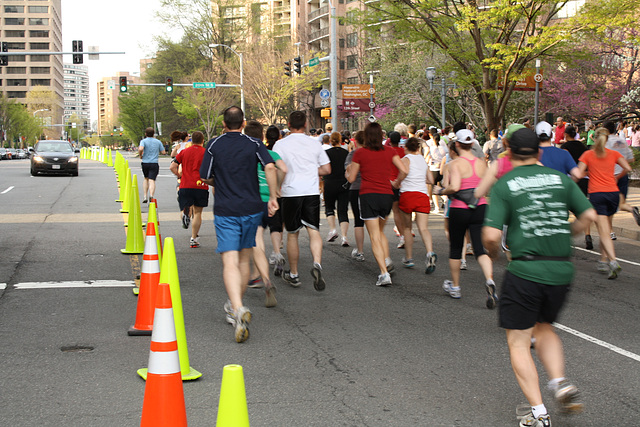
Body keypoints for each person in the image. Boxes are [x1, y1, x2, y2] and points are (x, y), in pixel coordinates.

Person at [482, 127, 596, 427]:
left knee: (518, 342)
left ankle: (538, 413)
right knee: (544, 327)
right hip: (560, 270)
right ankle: (559, 383)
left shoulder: (506, 184)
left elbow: (492, 235)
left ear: (508, 152)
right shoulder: (561, 180)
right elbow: (589, 217)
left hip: (525, 270)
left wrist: (492, 254)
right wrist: (566, 233)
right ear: (540, 152)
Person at [199, 106, 279, 343]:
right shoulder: (254, 144)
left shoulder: (214, 145)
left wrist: (220, 181)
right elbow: (271, 166)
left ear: (224, 124)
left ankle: (237, 307)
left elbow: (204, 176)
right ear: (243, 123)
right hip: (252, 209)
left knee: (230, 260)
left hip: (226, 210)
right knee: (244, 259)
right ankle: (236, 306)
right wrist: (273, 197)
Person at [435, 129, 496, 308]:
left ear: (458, 144)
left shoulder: (455, 164)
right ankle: (490, 280)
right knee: (479, 248)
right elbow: (487, 185)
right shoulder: (481, 163)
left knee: (456, 247)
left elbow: (454, 187)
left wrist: (441, 191)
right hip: (480, 206)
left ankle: (455, 286)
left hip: (460, 209)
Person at [273, 110, 331, 291]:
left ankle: (295, 274)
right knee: (313, 230)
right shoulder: (315, 144)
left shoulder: (279, 145)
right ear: (306, 125)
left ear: (288, 125)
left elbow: (275, 169)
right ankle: (317, 263)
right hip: (311, 192)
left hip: (290, 192)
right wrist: (310, 171)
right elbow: (327, 169)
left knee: (292, 234)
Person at [347, 122, 408, 286]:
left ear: (366, 136)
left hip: (368, 195)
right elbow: (405, 170)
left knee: (374, 236)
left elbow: (352, 178)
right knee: (380, 232)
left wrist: (347, 173)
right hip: (386, 196)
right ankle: (386, 259)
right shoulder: (390, 151)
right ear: (382, 135)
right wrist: (396, 182)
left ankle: (383, 273)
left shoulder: (359, 153)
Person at [577, 127, 633, 279]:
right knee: (605, 229)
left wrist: (587, 174)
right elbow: (628, 167)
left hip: (597, 194)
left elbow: (578, 173)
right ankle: (602, 260)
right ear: (607, 139)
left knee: (603, 231)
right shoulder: (613, 154)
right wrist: (616, 177)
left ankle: (612, 261)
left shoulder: (588, 154)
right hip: (613, 194)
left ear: (593, 138)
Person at [243, 120, 287, 309]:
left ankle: (265, 278)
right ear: (262, 136)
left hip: (251, 200)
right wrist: (276, 187)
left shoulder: (244, 154)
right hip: (269, 200)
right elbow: (283, 169)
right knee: (258, 238)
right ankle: (255, 275)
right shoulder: (271, 153)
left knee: (255, 240)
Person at [395, 137, 437, 273]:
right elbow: (431, 180)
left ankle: (409, 258)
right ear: (418, 148)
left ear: (406, 147)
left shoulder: (405, 159)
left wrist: (397, 181)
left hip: (407, 194)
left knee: (407, 228)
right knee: (424, 228)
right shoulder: (422, 160)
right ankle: (430, 253)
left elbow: (404, 172)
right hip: (422, 195)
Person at [169, 131, 208, 249]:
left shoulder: (184, 152)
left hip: (185, 185)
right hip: (200, 185)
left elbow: (172, 166)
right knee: (197, 213)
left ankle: (185, 214)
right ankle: (194, 238)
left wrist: (179, 176)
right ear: (202, 141)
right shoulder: (206, 153)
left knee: (185, 207)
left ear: (192, 140)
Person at [602, 120, 640, 233]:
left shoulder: (605, 142)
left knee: (609, 206)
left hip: (610, 176)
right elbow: (631, 158)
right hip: (623, 175)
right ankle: (631, 209)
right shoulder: (622, 141)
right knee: (620, 202)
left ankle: (611, 231)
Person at [560, 125, 593, 249]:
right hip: (585, 179)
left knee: (566, 207)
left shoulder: (565, 148)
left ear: (566, 135)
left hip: (571, 179)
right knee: (582, 208)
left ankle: (564, 235)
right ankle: (588, 235)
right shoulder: (583, 147)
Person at [264, 125, 287, 277]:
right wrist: (278, 186)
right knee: (276, 226)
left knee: (257, 230)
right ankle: (277, 251)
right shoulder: (278, 150)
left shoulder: (260, 151)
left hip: (256, 195)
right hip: (277, 192)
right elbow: (282, 169)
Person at [324, 131, 350, 246]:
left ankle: (332, 230)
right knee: (343, 210)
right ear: (341, 140)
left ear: (330, 141)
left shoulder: (326, 153)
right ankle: (344, 237)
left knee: (329, 207)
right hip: (344, 184)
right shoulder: (346, 153)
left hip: (329, 183)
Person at [344, 130, 366, 261]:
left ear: (356, 141)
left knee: (358, 220)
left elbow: (348, 171)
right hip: (370, 188)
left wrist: (348, 176)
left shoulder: (352, 154)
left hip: (355, 188)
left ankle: (360, 251)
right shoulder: (373, 153)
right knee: (373, 222)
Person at [138, 127, 166, 203]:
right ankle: (151, 195)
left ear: (145, 134)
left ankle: (144, 196)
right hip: (154, 163)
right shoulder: (158, 142)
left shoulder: (143, 141)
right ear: (153, 134)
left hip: (145, 162)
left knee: (146, 178)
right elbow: (163, 152)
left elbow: (140, 149)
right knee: (152, 180)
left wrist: (140, 155)